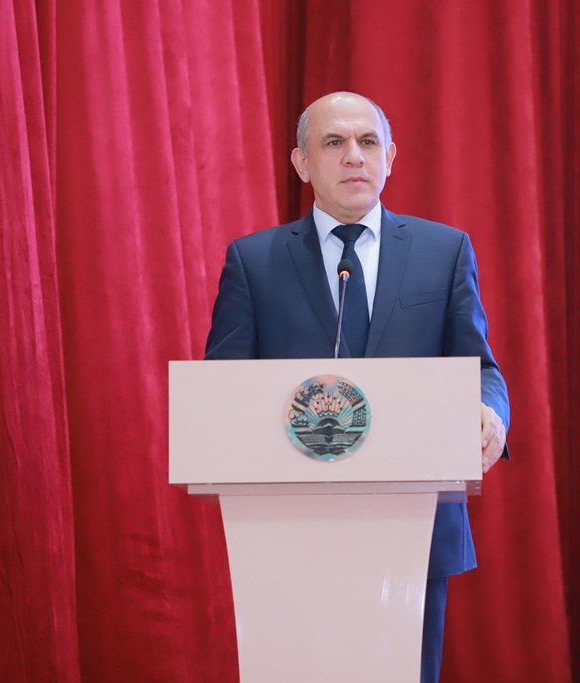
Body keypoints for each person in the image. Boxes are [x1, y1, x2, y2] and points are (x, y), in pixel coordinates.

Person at [205, 91, 509, 683]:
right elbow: (222, 393)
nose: (354, 156)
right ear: (302, 163)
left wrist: (489, 410)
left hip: (414, 526)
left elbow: (480, 368)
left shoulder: (443, 251)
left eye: (368, 142)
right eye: (334, 142)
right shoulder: (254, 261)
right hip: (290, 536)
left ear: (390, 157)